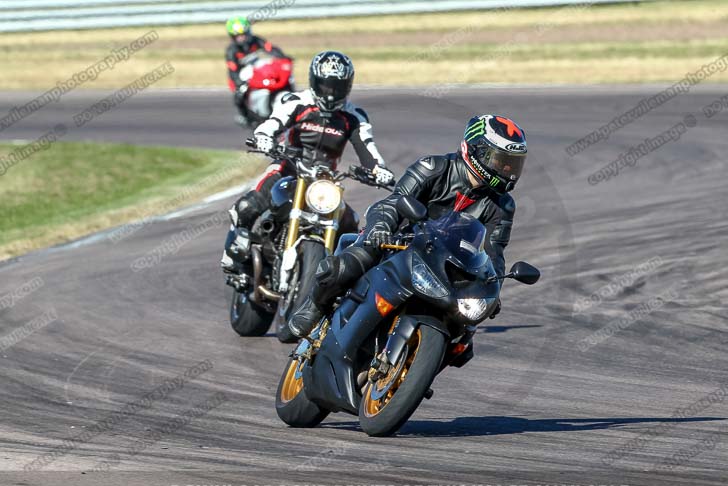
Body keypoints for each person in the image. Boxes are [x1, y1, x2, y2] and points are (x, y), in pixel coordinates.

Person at [284, 114, 527, 362]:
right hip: (397, 241)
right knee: (346, 266)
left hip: (448, 263)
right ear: (474, 150)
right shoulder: (433, 168)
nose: (507, 171)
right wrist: (381, 227)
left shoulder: (503, 205)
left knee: (463, 342)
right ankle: (314, 307)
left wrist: (493, 288)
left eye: (513, 164)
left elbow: (494, 251)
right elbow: (393, 201)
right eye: (501, 161)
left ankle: (415, 364)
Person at [221, 50, 395, 273]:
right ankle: (233, 255)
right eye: (326, 86)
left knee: (350, 224)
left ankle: (338, 278)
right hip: (288, 168)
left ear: (348, 86)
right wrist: (264, 137)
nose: (331, 93)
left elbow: (368, 148)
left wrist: (379, 170)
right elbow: (274, 122)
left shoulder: (354, 116)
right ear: (314, 81)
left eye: (337, 87)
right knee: (248, 205)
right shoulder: (298, 101)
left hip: (326, 182)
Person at [225, 16, 293, 126]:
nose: (242, 38)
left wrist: (283, 57)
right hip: (242, 75)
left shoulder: (256, 40)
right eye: (238, 36)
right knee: (239, 94)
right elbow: (232, 70)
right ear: (233, 37)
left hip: (258, 70)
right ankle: (245, 116)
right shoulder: (231, 51)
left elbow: (271, 49)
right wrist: (238, 82)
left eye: (244, 34)